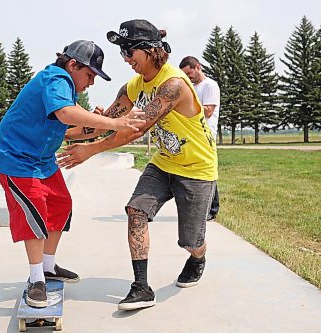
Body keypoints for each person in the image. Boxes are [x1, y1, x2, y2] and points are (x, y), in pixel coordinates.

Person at [57, 20, 218, 311]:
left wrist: (90, 151)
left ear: (150, 50)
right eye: (123, 53)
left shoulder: (173, 85)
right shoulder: (133, 86)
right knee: (136, 211)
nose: (126, 59)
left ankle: (198, 257)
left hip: (197, 169)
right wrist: (54, 132)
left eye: (129, 51)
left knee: (191, 242)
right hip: (163, 164)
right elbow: (105, 123)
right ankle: (142, 287)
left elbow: (135, 129)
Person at [0, 40, 145, 308]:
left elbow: (69, 128)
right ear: (73, 64)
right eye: (89, 75)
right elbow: (65, 114)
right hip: (17, 160)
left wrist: (100, 126)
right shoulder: (57, 77)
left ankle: (49, 267)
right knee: (35, 213)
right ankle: (36, 279)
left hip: (42, 161)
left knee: (61, 205)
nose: (91, 83)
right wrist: (114, 122)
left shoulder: (63, 88)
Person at [179, 56, 221, 221]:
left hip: (206, 135)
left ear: (198, 67)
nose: (188, 77)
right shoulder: (190, 87)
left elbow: (209, 111)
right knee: (194, 173)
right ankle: (198, 206)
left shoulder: (210, 86)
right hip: (191, 135)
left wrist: (186, 107)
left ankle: (212, 208)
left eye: (190, 73)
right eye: (185, 74)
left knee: (207, 172)